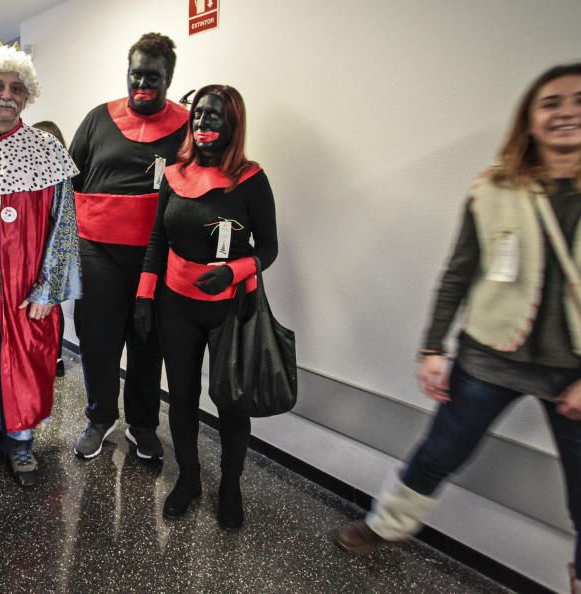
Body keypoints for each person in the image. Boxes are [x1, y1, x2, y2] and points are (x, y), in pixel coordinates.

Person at [336, 63, 581, 593]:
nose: (567, 112)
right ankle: (389, 523)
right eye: (551, 103)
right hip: (490, 354)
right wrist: (432, 347)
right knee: (441, 449)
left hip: (575, 371)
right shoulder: (494, 189)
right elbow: (459, 271)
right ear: (530, 120)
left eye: (578, 100)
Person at [135, 85, 278, 530]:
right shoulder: (174, 175)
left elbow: (269, 248)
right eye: (198, 116)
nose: (203, 124)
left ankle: (230, 485)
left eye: (214, 117)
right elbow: (158, 240)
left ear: (233, 124)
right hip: (175, 304)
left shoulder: (251, 180)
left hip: (229, 308)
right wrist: (144, 294)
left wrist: (234, 271)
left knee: (231, 403)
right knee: (180, 397)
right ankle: (190, 478)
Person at [0, 42, 82, 488]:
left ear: (27, 96)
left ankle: (21, 442)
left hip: (25, 286)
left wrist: (48, 289)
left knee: (24, 362)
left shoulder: (46, 149)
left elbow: (65, 225)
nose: (6, 95)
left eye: (16, 88)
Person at [69, 33, 187, 461]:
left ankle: (142, 424)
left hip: (157, 258)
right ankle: (100, 417)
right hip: (98, 254)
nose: (142, 82)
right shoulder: (98, 119)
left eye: (152, 75)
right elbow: (70, 183)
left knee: (147, 341)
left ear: (169, 78)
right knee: (98, 340)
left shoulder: (187, 127)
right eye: (135, 72)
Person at [33, 120, 69, 378]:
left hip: (49, 258)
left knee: (50, 307)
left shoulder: (61, 180)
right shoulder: (28, 175)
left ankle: (53, 356)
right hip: (32, 257)